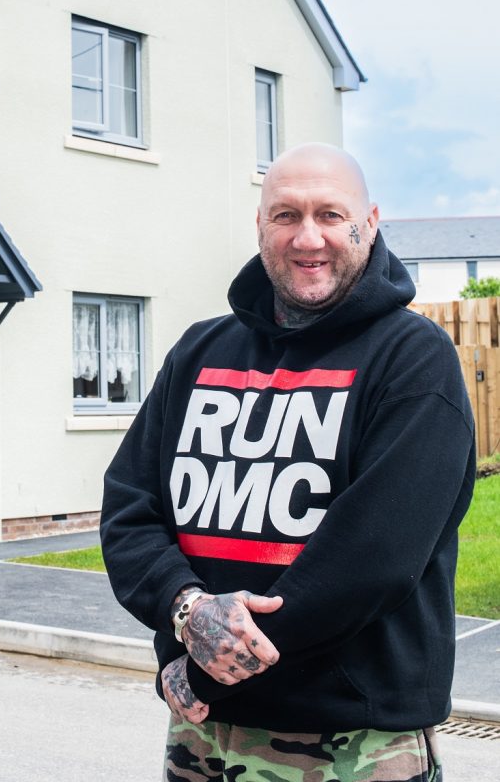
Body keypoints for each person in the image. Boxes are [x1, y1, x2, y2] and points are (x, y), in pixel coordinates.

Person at [100, 143, 475, 782]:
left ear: (371, 222)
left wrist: (203, 668)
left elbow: (372, 559)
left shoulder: (413, 360)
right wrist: (187, 608)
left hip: (354, 741)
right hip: (203, 738)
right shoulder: (199, 351)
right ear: (260, 225)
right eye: (286, 215)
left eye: (331, 214)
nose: (309, 237)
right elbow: (129, 510)